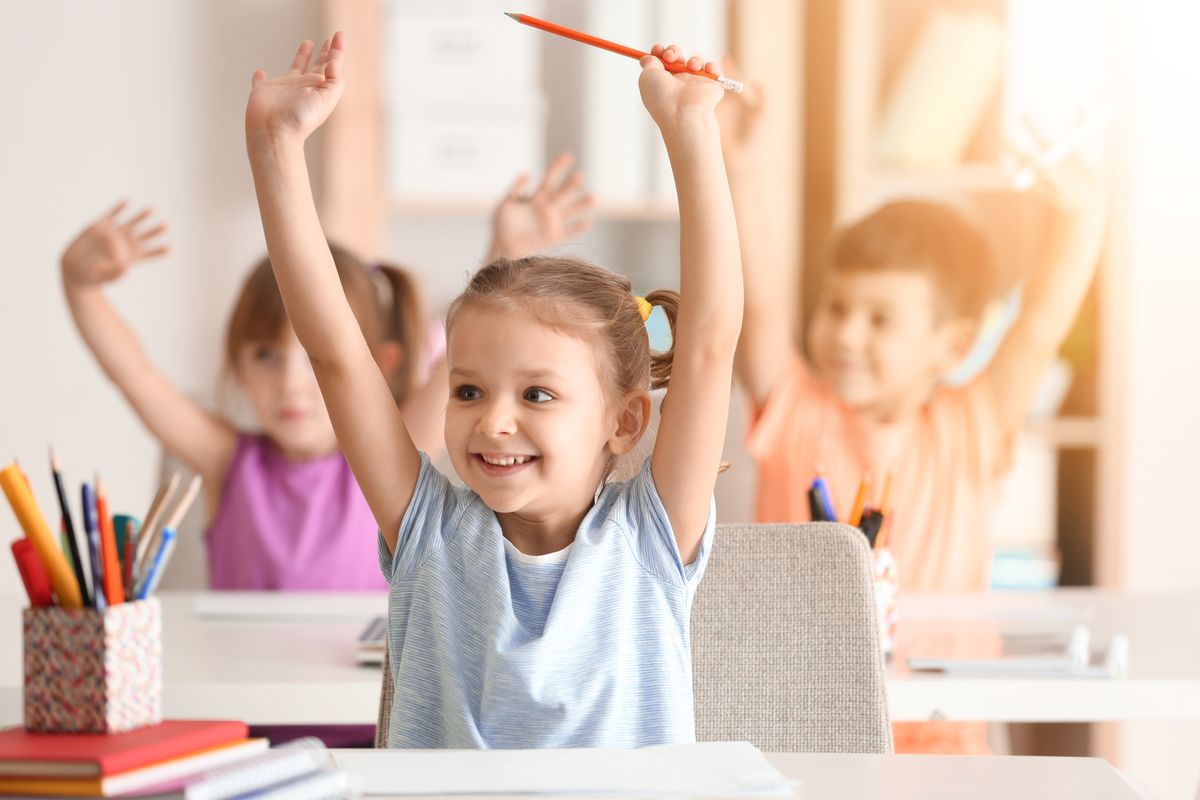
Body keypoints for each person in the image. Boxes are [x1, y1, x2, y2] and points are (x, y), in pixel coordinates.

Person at [244, 32, 741, 746]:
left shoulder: (649, 539)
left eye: (537, 395)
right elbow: (337, 357)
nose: (492, 423)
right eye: (469, 391)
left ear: (625, 423)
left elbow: (709, 346)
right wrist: (276, 147)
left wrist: (690, 127)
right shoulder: (431, 537)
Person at [717, 65, 1109, 752]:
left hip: (942, 734)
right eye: (837, 307)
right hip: (800, 732)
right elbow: (762, 299)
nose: (846, 334)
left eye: (880, 319)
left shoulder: (970, 427)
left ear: (951, 344)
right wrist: (738, 166)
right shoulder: (795, 412)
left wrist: (1084, 217)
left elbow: (1041, 322)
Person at [60, 160, 592, 591]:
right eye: (267, 357)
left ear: (377, 367)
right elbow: (134, 375)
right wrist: (81, 288)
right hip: (250, 714)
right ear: (239, 367)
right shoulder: (227, 462)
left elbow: (464, 353)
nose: (291, 384)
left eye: (313, 361)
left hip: (363, 714)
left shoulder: (391, 454)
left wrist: (509, 253)